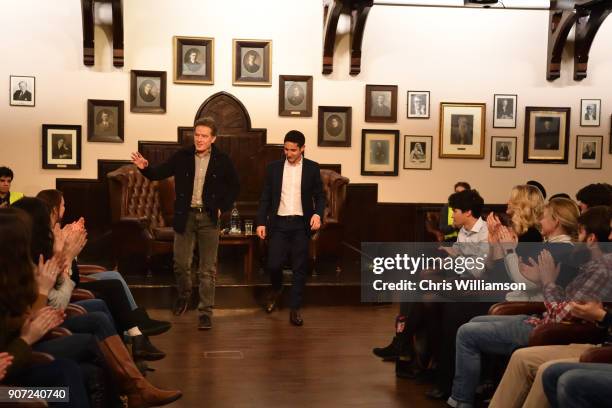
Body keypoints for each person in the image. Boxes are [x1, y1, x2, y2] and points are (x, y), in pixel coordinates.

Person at [448, 206, 612, 408]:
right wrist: (500, 248)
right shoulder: (578, 258)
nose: (510, 211)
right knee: (471, 319)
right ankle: (472, 391)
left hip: (552, 325)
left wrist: (544, 279)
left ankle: (462, 399)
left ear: (591, 238)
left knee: (467, 329)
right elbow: (500, 272)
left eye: (581, 232)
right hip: (538, 313)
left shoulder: (575, 256)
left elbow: (528, 288)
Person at [131, 117, 240, 330]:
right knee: (181, 264)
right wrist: (145, 167)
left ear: (213, 139)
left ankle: (205, 312)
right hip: (185, 216)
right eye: (197, 135)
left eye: (204, 136)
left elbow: (235, 186)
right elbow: (159, 173)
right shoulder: (182, 156)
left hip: (209, 218)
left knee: (207, 269)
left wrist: (221, 207)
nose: (199, 139)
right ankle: (184, 295)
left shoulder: (223, 160)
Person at [256, 130, 326, 326]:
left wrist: (317, 214)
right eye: (286, 149)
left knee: (299, 268)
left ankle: (295, 308)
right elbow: (265, 198)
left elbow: (320, 196)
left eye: (293, 150)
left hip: (300, 224)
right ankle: (277, 289)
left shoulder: (312, 169)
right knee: (274, 264)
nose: (289, 153)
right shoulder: (273, 168)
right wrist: (261, 222)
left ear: (302, 148)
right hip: (278, 223)